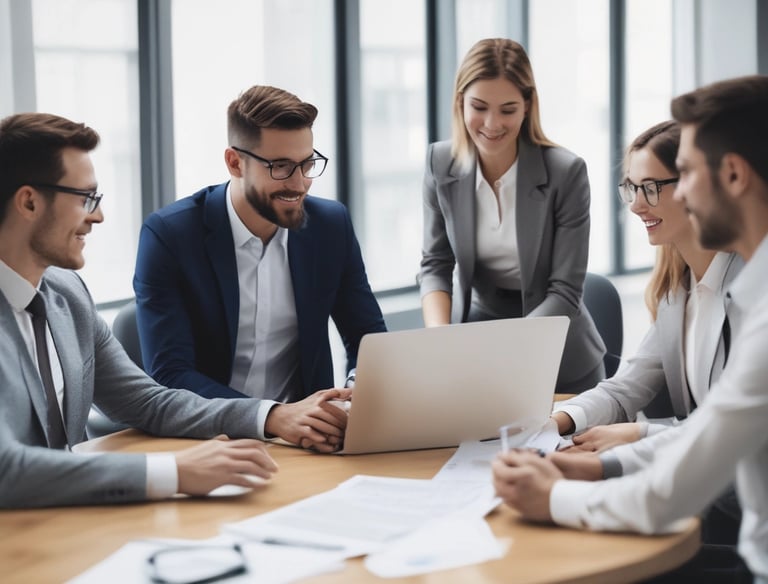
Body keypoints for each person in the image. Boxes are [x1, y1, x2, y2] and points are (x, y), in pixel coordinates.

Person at [492, 75, 768, 583]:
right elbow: (715, 430)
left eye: (681, 174)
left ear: (732, 174)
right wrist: (591, 461)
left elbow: (674, 488)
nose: (646, 202)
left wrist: (555, 494)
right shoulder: (690, 288)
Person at [0, 112, 281, 509]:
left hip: (69, 521)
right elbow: (6, 469)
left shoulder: (67, 295)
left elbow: (149, 402)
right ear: (29, 201)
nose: (97, 216)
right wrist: (175, 471)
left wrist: (271, 417)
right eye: (86, 198)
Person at [133, 85, 386, 452]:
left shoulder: (331, 226)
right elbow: (170, 375)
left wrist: (356, 391)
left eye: (307, 163)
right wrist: (273, 416)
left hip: (307, 443)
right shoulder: (170, 236)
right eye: (281, 167)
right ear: (235, 163)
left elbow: (368, 337)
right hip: (209, 443)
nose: (299, 184)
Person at [551, 120, 743, 548]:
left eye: (651, 188)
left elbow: (732, 430)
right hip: (694, 497)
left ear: (696, 185)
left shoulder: (749, 290)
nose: (637, 206)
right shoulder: (678, 290)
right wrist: (552, 424)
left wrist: (637, 433)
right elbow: (624, 391)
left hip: (734, 512)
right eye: (631, 188)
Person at [418, 38, 605, 393]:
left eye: (507, 109)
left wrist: (503, 355)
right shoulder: (439, 163)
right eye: (479, 106)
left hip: (558, 352)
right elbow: (434, 265)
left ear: (527, 107)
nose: (492, 123)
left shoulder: (566, 172)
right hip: (475, 343)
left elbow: (565, 291)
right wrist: (438, 343)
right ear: (460, 103)